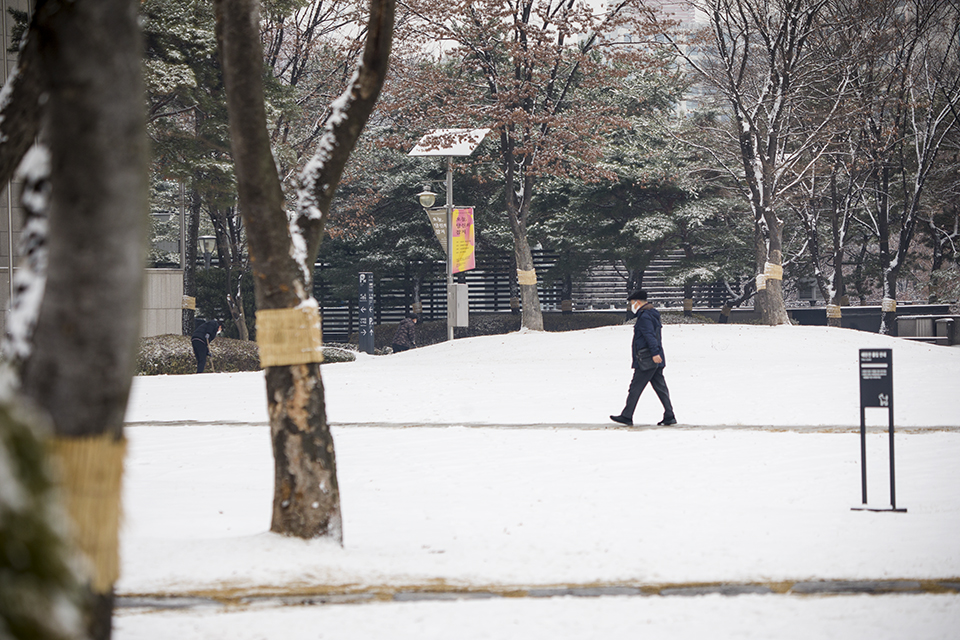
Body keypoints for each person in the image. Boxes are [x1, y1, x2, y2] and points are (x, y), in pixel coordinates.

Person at [610, 290, 677, 427]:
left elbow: (650, 336)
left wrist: (654, 353)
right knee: (660, 387)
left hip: (647, 359)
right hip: (655, 358)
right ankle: (669, 415)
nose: (631, 306)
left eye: (632, 303)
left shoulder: (645, 316)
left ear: (638, 302)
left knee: (635, 387)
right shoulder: (653, 313)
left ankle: (627, 416)